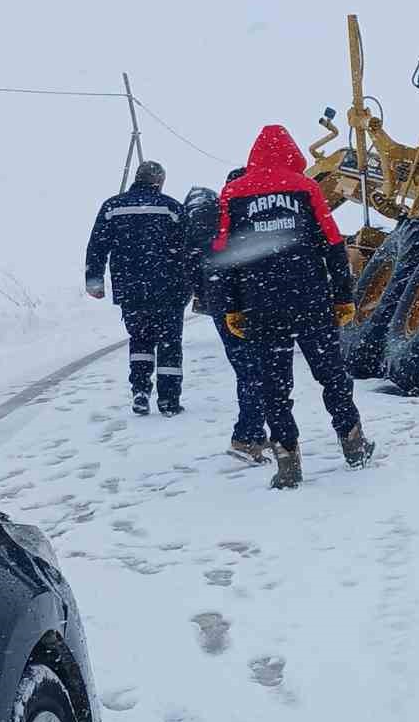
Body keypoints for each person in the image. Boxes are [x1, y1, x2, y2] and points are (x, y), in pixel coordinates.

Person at [208, 125, 371, 489]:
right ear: (291, 153)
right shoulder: (306, 187)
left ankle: (287, 462)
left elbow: (224, 254)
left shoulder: (233, 193)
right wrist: (343, 296)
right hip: (310, 301)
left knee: (273, 388)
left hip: (261, 307)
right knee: (332, 376)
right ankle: (353, 443)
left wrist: (231, 306)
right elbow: (333, 244)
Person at [85, 159, 191, 415]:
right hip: (168, 290)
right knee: (169, 344)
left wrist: (94, 280)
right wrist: (194, 283)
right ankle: (168, 401)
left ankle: (140, 392)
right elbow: (188, 249)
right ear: (159, 181)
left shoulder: (112, 207)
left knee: (140, 341)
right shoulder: (171, 208)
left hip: (130, 290)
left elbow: (97, 247)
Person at [185, 178, 267, 461]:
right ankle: (245, 437)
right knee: (254, 371)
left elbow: (194, 264)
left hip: (222, 302)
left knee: (249, 370)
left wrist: (205, 295)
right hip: (243, 304)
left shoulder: (212, 221)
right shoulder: (242, 219)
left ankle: (255, 434)